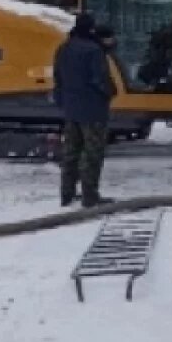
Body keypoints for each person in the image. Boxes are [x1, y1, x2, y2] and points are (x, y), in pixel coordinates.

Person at [52, 13, 117, 207]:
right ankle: (90, 195)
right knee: (92, 153)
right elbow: (99, 79)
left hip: (72, 109)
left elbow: (58, 78)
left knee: (71, 151)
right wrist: (110, 92)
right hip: (93, 109)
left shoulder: (64, 48)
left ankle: (67, 193)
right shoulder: (93, 50)